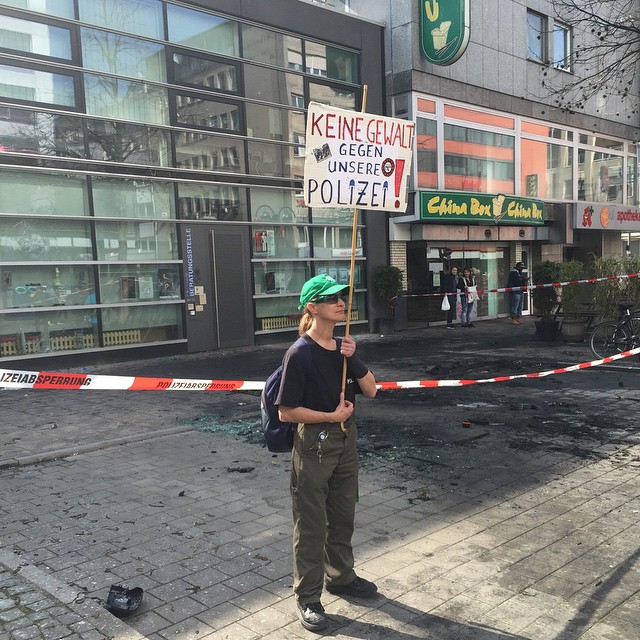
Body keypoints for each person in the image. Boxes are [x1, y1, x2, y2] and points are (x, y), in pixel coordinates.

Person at [276, 274, 378, 632]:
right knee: (311, 523)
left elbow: (372, 390)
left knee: (343, 513)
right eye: (332, 297)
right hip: (314, 444)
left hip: (346, 441)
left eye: (341, 297)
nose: (341, 302)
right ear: (312, 306)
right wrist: (329, 417)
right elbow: (286, 411)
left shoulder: (344, 348)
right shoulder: (299, 353)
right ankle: (308, 598)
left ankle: (341, 577)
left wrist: (356, 357)